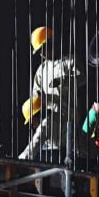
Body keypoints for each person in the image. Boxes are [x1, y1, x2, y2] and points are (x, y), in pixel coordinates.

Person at [19, 26, 79, 163]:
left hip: (67, 117)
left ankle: (23, 159)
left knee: (46, 126)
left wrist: (63, 80)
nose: (42, 54)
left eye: (43, 50)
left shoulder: (69, 62)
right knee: (44, 127)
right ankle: (24, 159)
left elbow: (82, 78)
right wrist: (33, 115)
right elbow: (36, 96)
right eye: (40, 51)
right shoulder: (42, 71)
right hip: (50, 119)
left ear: (51, 44)